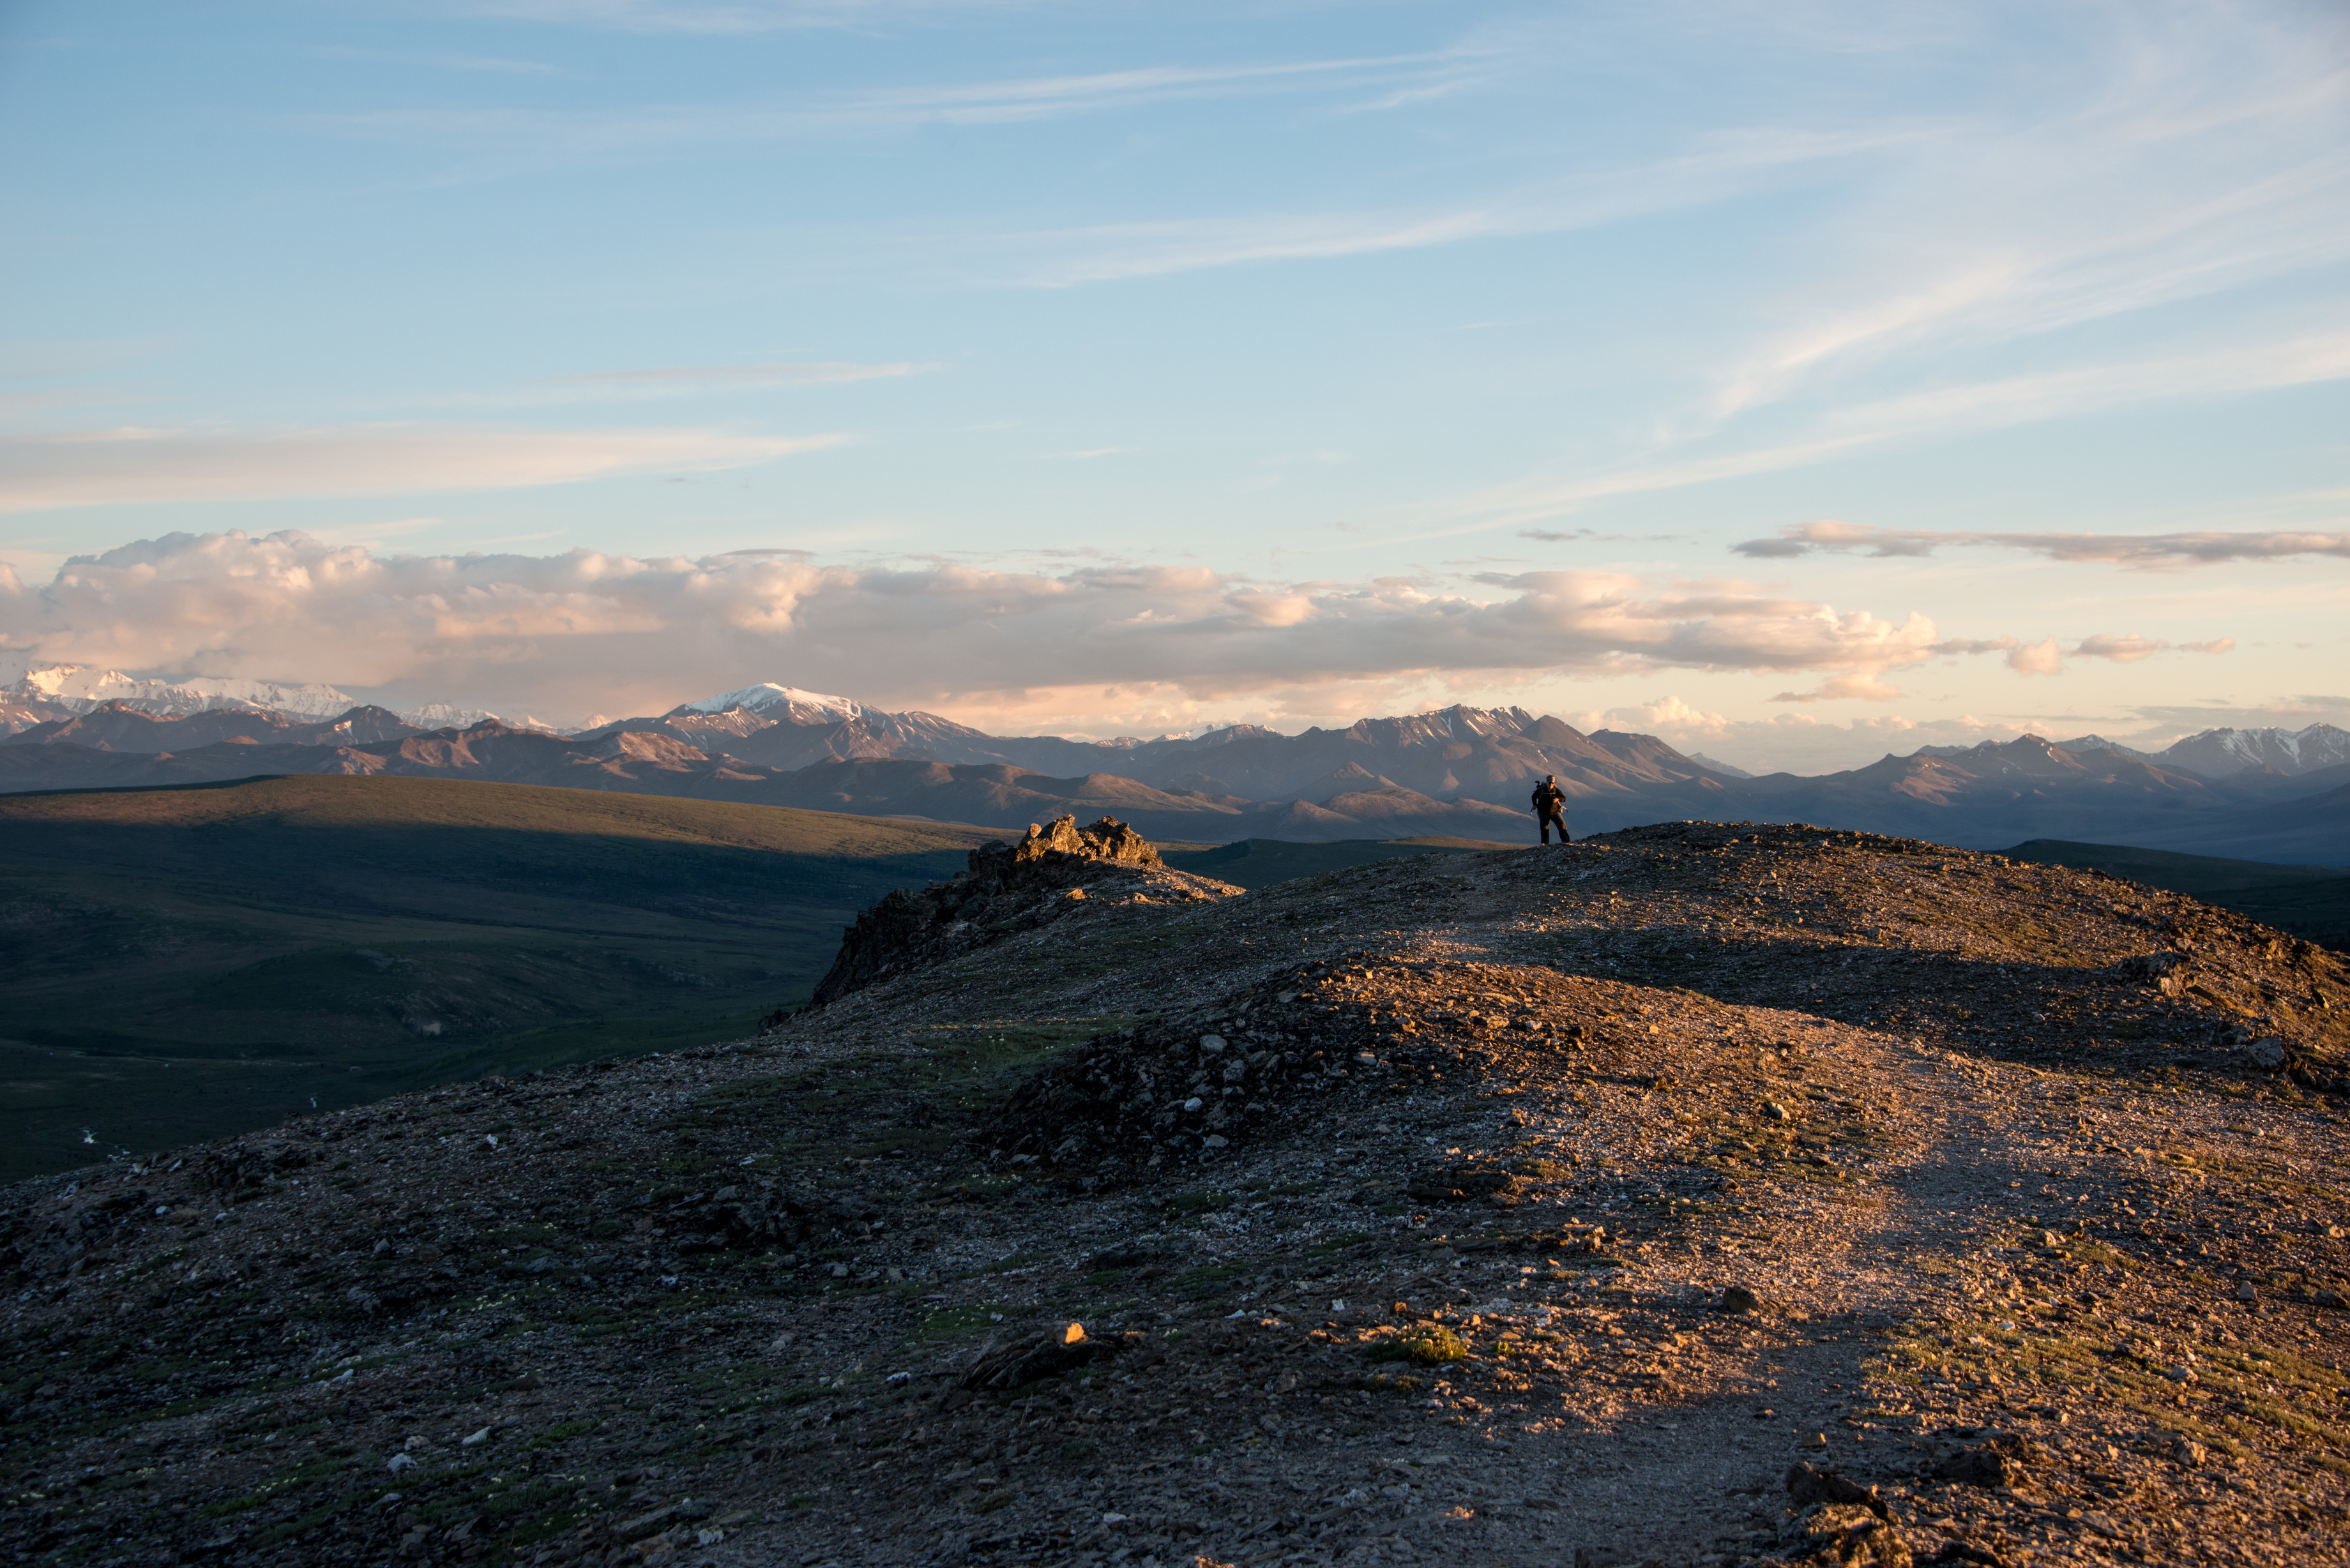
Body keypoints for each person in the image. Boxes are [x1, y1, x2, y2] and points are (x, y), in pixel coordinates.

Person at [1531, 773, 1570, 845]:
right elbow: (1534, 796)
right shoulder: (1542, 790)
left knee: (1562, 825)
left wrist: (1558, 799)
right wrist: (1535, 805)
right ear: (1547, 782)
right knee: (1545, 828)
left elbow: (1564, 798)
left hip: (1555, 812)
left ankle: (1566, 842)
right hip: (1543, 812)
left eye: (1553, 783)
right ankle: (1545, 844)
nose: (1551, 784)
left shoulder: (1556, 790)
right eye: (1550, 783)